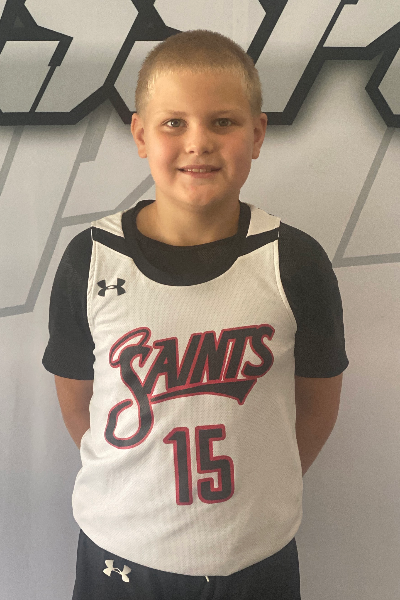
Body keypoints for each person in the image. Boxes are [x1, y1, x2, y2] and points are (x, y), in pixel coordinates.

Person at [42, 29, 349, 600]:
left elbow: (317, 406)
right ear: (141, 134)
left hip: (254, 555)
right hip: (121, 554)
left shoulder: (294, 261)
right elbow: (78, 401)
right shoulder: (90, 258)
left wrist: (255, 498)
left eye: (222, 122)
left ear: (257, 134)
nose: (198, 143)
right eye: (174, 123)